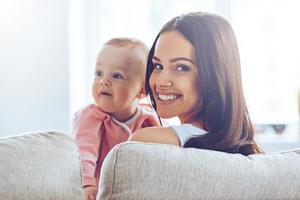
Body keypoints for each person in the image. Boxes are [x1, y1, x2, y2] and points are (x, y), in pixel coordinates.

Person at [129, 12, 263, 155]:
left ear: (214, 77)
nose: (160, 80)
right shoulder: (248, 154)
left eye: (181, 67)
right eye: (158, 66)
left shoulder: (146, 141)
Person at [72, 37, 160, 200]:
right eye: (99, 73)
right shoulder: (91, 116)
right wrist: (87, 185)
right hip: (95, 190)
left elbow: (161, 157)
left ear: (141, 91)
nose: (104, 81)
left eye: (117, 76)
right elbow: (83, 152)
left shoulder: (148, 121)